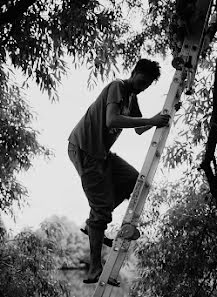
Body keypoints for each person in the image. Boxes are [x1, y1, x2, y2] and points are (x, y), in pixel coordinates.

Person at [67, 59, 170, 285]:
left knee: (134, 180)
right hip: (84, 149)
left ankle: (95, 221)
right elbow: (112, 119)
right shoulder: (118, 87)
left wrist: (163, 114)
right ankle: (94, 268)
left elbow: (141, 128)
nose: (143, 87)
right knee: (101, 210)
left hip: (101, 154)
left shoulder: (132, 97)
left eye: (148, 85)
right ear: (134, 73)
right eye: (142, 81)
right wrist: (151, 120)